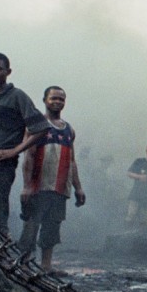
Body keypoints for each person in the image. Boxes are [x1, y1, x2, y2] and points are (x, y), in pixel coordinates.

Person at [0, 52, 49, 235]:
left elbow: (41, 127)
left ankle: (1, 253)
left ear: (8, 72)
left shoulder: (17, 96)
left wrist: (14, 151)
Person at [17, 86, 86, 272]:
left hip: (60, 187)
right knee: (31, 225)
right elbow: (28, 156)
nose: (57, 102)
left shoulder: (69, 130)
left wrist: (78, 187)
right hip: (38, 186)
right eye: (53, 98)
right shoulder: (36, 125)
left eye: (61, 99)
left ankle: (46, 266)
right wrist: (26, 186)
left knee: (52, 227)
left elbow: (71, 160)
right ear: (45, 100)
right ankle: (23, 265)